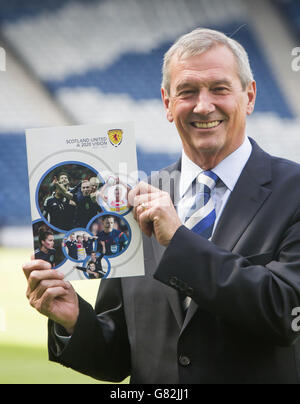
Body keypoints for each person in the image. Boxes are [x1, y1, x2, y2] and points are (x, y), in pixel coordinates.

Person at [23, 28, 300, 384]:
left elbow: (284, 314)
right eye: (187, 92)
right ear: (168, 103)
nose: (203, 105)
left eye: (219, 88)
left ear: (249, 96)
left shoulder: (293, 192)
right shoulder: (133, 199)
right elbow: (119, 356)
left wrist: (180, 241)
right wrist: (75, 318)